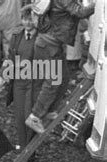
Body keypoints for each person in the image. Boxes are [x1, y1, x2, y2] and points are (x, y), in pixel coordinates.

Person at [25, 0, 95, 134]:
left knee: (63, 78)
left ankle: (49, 110)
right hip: (49, 44)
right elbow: (79, 12)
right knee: (53, 82)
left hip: (52, 44)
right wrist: (99, 4)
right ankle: (35, 116)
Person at [0, 6, 43, 150]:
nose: (28, 23)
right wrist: (2, 78)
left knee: (30, 116)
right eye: (25, 20)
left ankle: (30, 150)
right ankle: (24, 147)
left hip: (34, 82)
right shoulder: (17, 35)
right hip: (19, 82)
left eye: (31, 20)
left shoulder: (42, 37)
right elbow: (10, 58)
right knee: (20, 116)